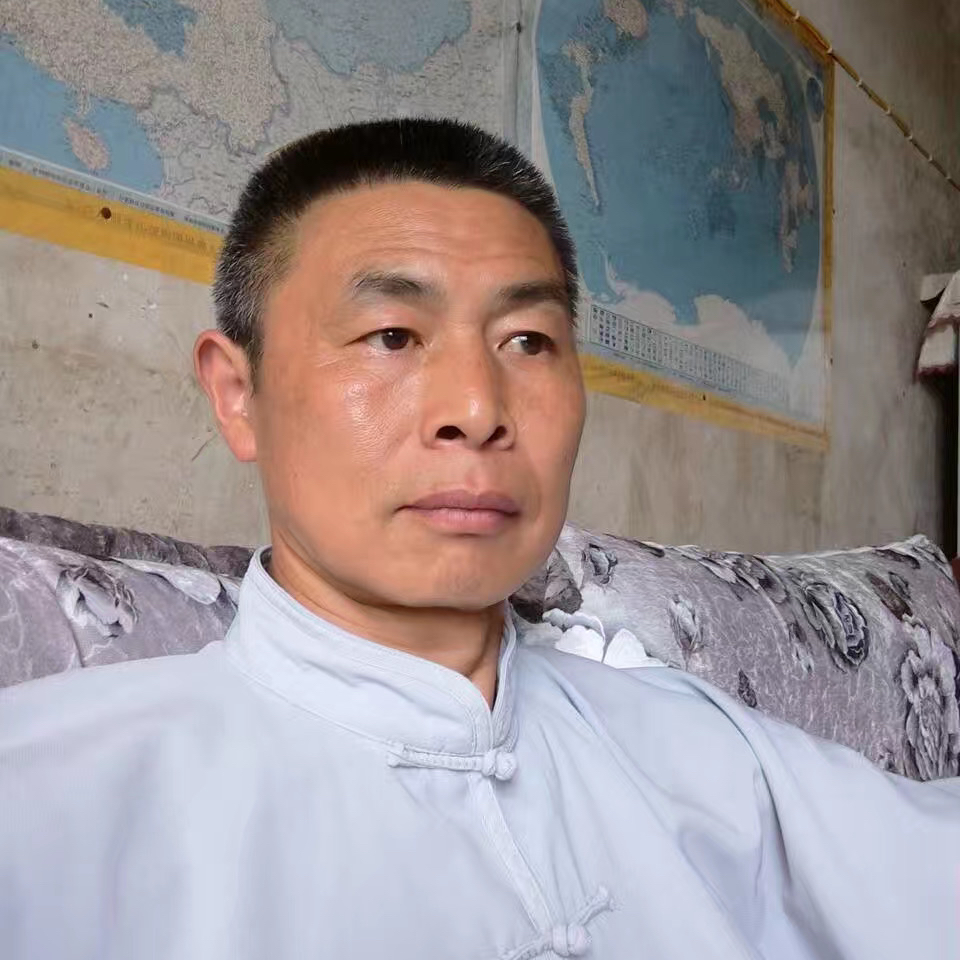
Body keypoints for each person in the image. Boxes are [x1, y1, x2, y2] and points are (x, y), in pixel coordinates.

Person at [0, 118, 957, 960]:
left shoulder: (695, 741)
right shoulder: (50, 802)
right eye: (392, 335)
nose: (477, 407)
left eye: (528, 342)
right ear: (238, 394)